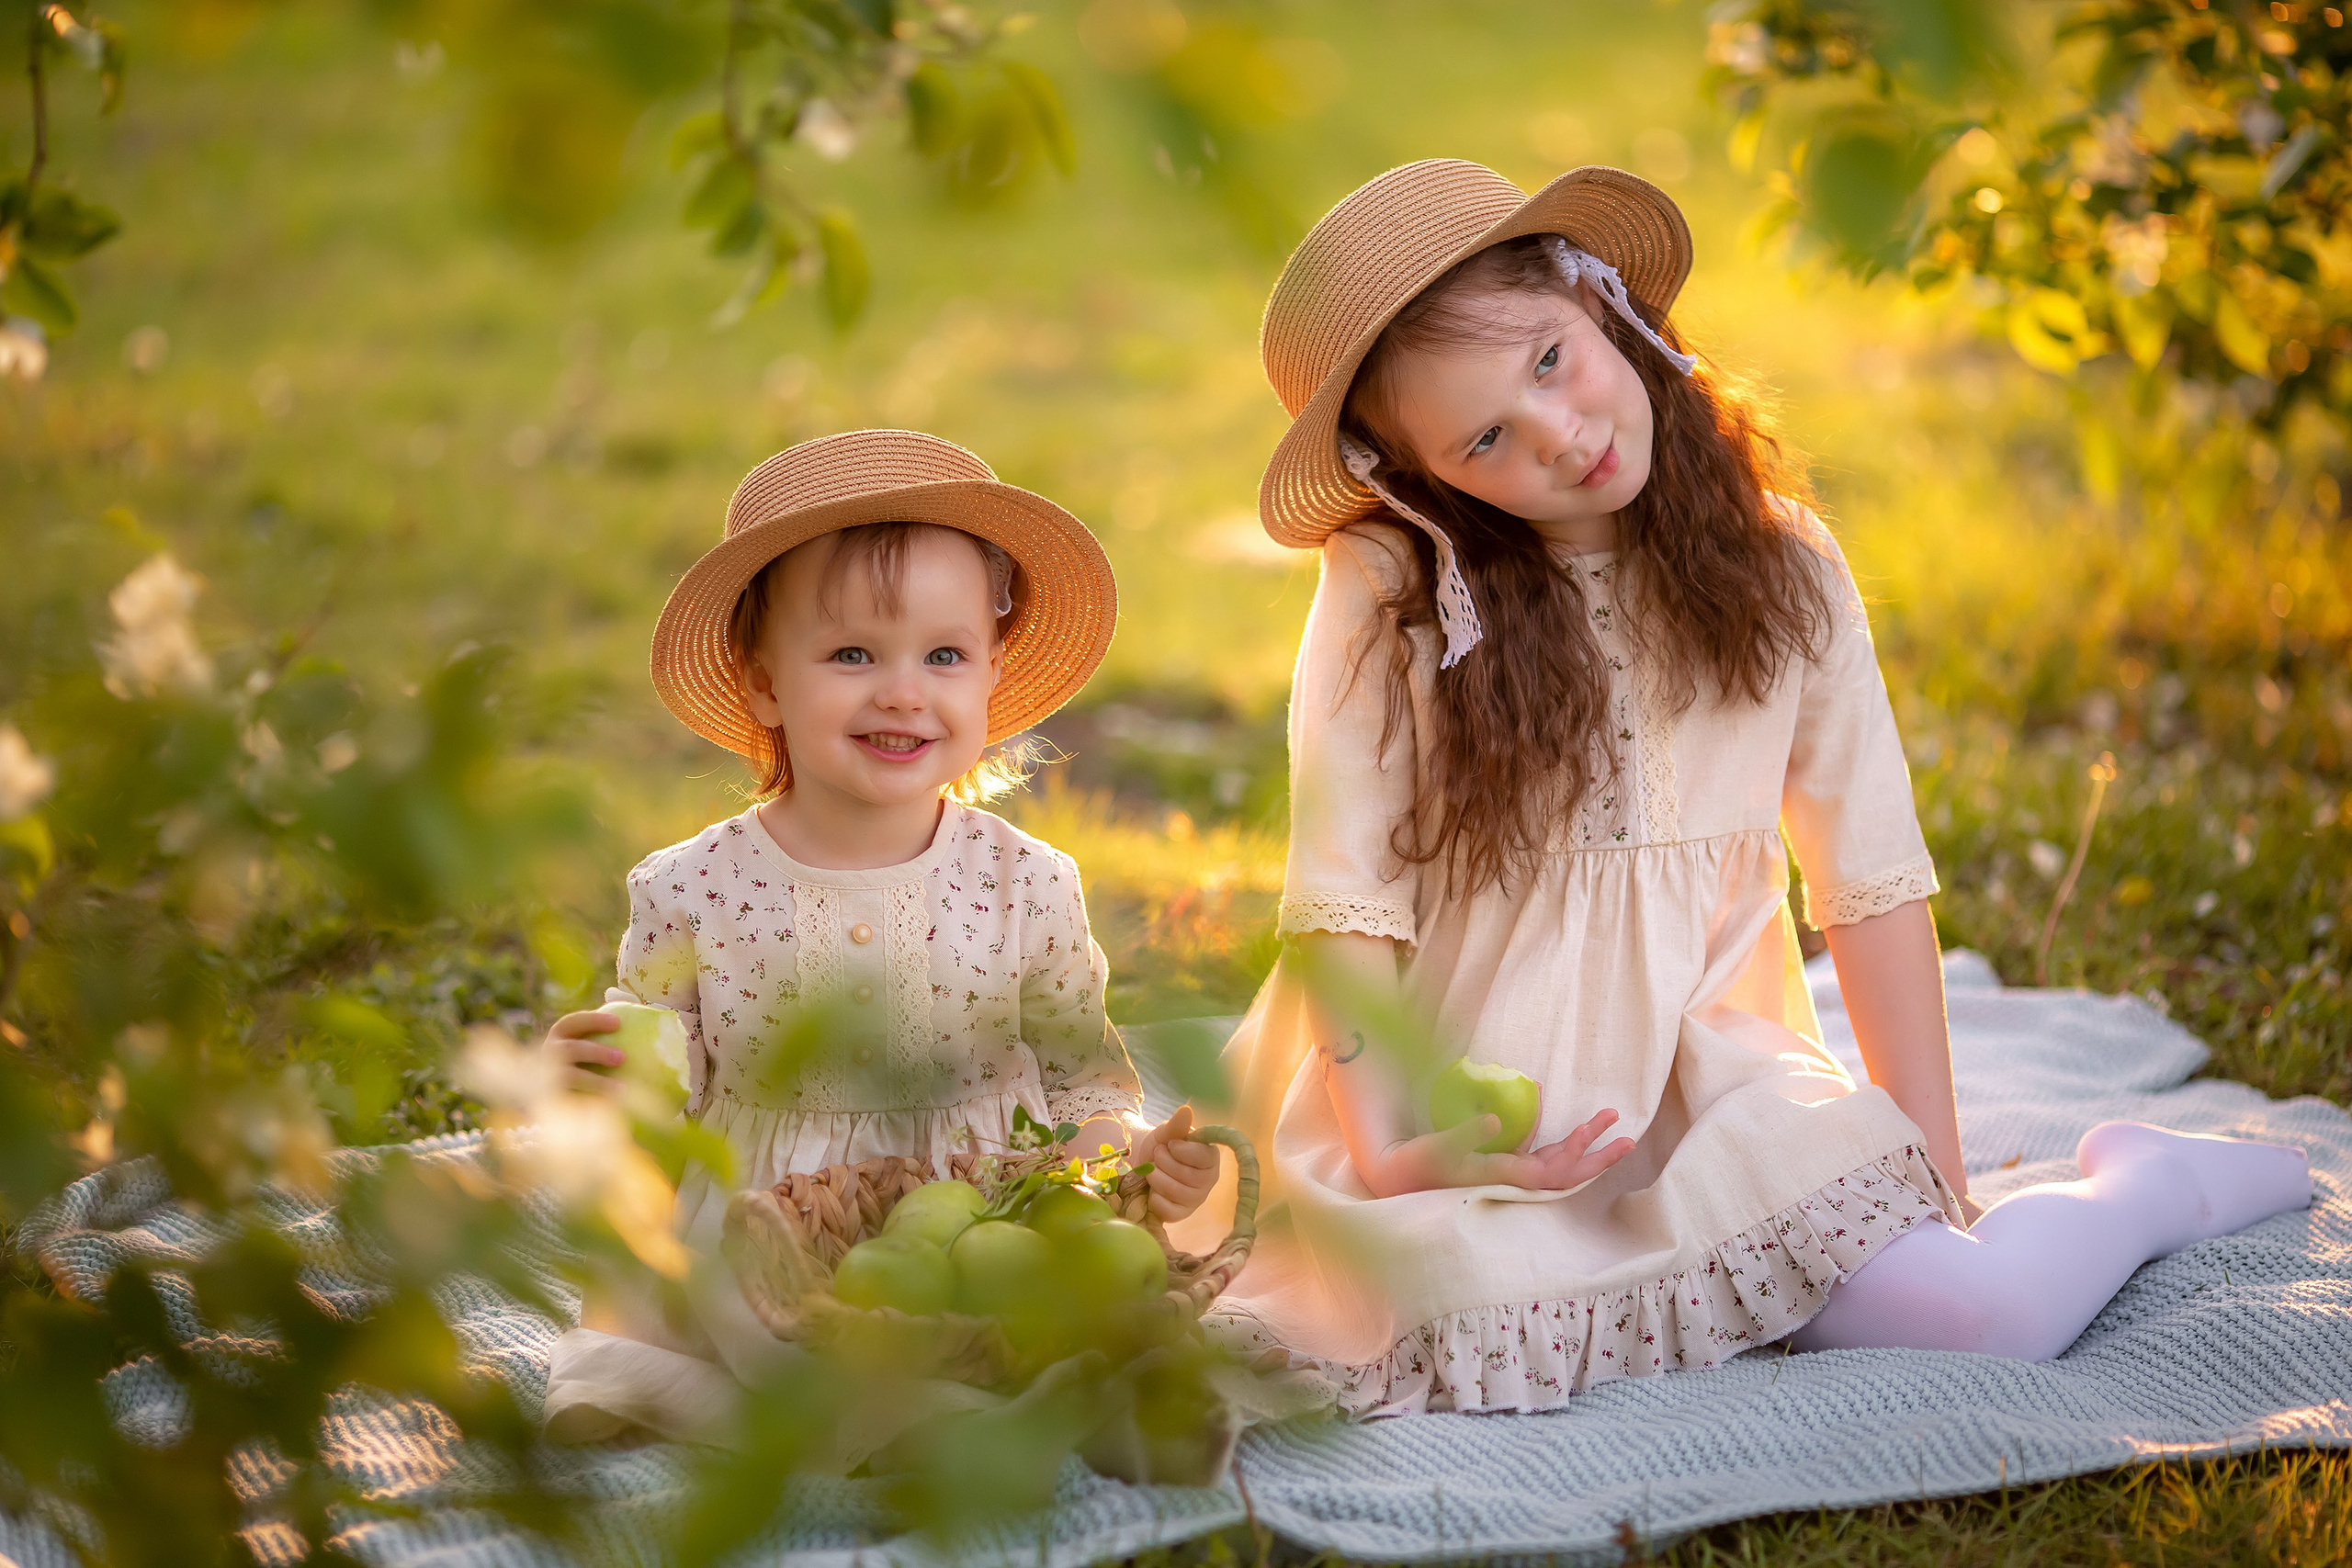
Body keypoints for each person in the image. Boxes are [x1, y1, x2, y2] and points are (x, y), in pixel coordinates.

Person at [1166, 162, 2312, 1416]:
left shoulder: (1786, 566)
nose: (1560, 435)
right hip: (1452, 1102)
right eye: (1484, 438)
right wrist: (1391, 1153)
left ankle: (2146, 1186)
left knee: (1983, 1312)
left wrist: (1929, 1175)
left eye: (1551, 361)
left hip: (1706, 1081)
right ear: (1417, 476)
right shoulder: (1393, 589)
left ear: (1599, 302)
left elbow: (1870, 882)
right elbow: (1346, 896)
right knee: (1391, 1315)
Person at [539, 429, 1220, 1443]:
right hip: (770, 1240)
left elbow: (1081, 1082)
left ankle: (947, 1413)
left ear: (991, 676)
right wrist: (596, 1082)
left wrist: (1131, 1175)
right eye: (852, 653)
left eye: (944, 656)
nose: (903, 690)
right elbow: (660, 1090)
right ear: (764, 682)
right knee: (738, 1349)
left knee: (1056, 1340)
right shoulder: (691, 887)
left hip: (976, 1226)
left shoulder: (1028, 884)